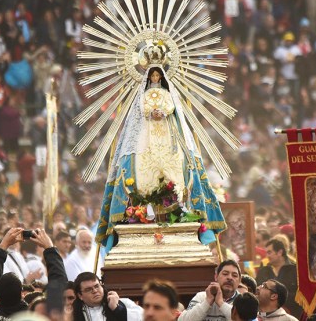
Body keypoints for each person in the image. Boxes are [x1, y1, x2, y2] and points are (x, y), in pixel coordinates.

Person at [96, 66, 226, 252]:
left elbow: (171, 105)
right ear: (149, 77)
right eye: (153, 75)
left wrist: (163, 112)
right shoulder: (143, 94)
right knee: (141, 164)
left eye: (158, 75)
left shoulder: (167, 93)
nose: (155, 77)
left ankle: (177, 206)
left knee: (176, 163)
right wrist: (151, 113)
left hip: (167, 131)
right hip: (145, 133)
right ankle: (141, 211)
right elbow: (142, 107)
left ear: (162, 77)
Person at [0, 227, 67, 321]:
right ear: (22, 294)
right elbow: (59, 285)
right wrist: (50, 248)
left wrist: (3, 245)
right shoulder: (32, 316)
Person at [256, 239, 302, 318]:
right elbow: (256, 290)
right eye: (266, 252)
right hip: (265, 316)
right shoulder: (263, 270)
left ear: (280, 252)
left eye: (269, 252)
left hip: (293, 314)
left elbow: (301, 294)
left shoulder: (296, 270)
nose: (267, 256)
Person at [72, 272, 136, 321]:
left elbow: (143, 317)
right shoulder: (72, 313)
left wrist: (117, 309)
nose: (95, 291)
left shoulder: (123, 302)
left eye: (97, 286)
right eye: (88, 289)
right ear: (80, 296)